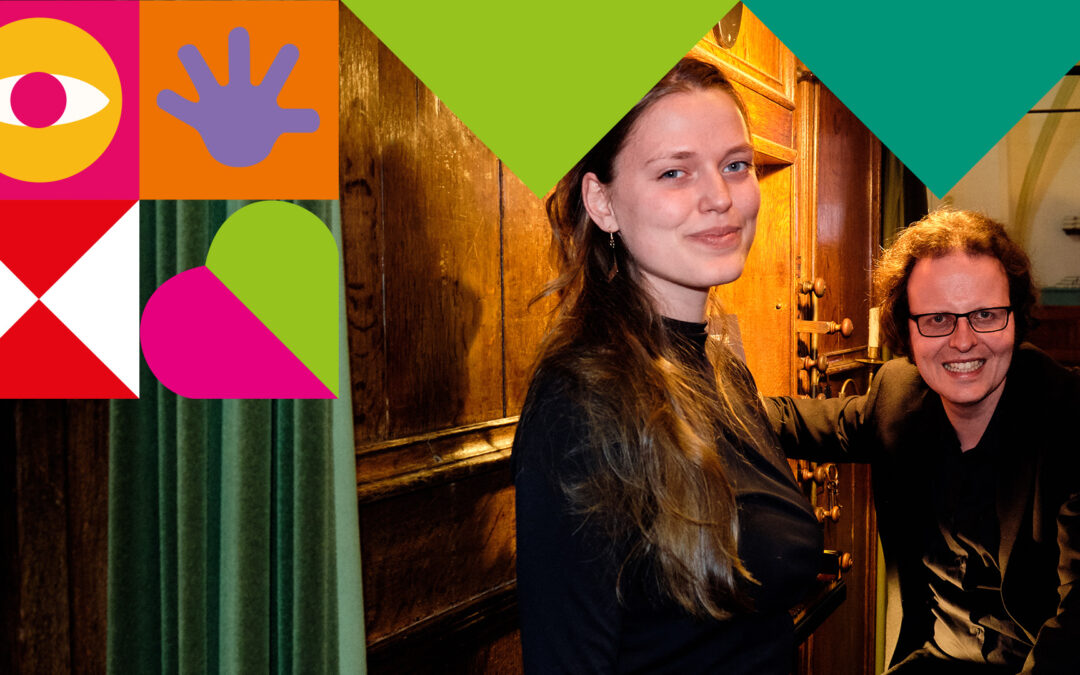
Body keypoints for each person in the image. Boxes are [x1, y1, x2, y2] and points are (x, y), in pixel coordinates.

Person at [512, 57, 823, 674]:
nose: (720, 198)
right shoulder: (579, 402)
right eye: (674, 172)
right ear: (602, 202)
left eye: (735, 165)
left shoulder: (722, 371)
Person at [767, 209, 1080, 674]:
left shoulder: (1070, 415)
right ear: (906, 330)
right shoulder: (897, 396)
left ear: (1015, 318)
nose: (963, 341)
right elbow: (794, 421)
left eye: (986, 315)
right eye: (937, 319)